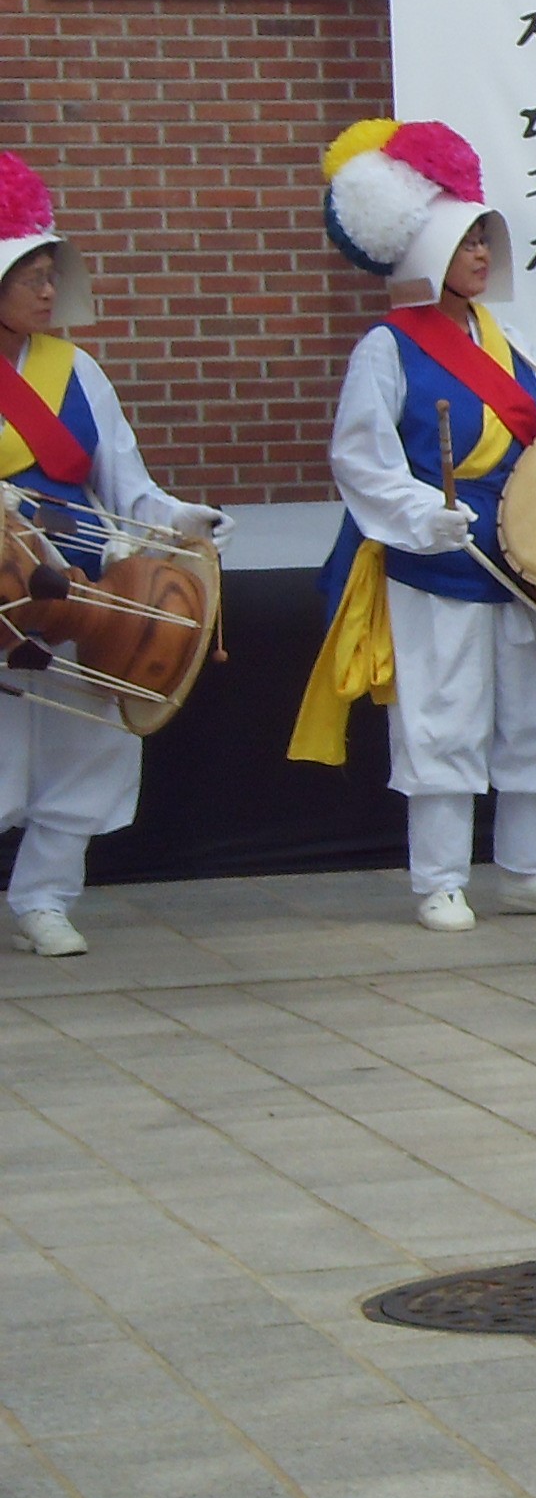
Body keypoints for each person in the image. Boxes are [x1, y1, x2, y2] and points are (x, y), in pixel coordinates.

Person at [292, 120, 536, 929]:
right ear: (429, 248)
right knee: (443, 716)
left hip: (526, 558)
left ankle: (531, 867)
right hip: (438, 556)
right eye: (466, 238)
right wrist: (414, 515)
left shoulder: (514, 342)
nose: (480, 251)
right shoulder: (387, 348)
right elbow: (360, 457)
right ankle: (439, 879)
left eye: (482, 237)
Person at [0, 154, 229, 956]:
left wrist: (177, 519)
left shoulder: (79, 371)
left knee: (87, 749)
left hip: (85, 584)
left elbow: (126, 484)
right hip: (0, 591)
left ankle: (46, 900)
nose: (44, 286)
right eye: (27, 271)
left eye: (47, 272)